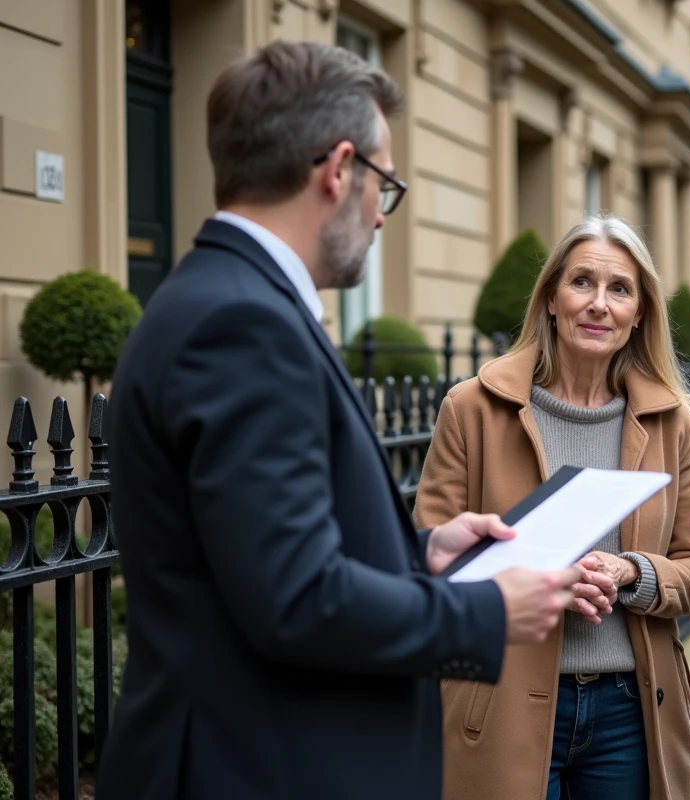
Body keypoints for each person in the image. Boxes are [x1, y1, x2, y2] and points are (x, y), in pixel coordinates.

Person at [97, 41, 579, 800]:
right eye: (383, 186)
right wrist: (483, 610)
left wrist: (418, 553)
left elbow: (253, 555)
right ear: (338, 169)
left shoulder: (226, 299)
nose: (381, 218)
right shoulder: (241, 324)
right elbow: (294, 600)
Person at [415, 214, 690, 800]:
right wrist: (544, 579)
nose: (599, 304)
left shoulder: (670, 420)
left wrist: (633, 572)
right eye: (582, 282)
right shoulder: (473, 408)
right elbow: (430, 556)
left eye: (620, 289)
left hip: (631, 712)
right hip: (499, 701)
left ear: (639, 315)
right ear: (551, 298)